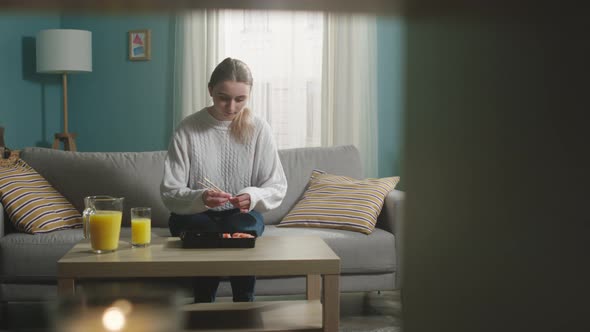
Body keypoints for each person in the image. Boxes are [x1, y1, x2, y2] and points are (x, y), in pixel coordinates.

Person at [160, 57, 288, 303]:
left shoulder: (258, 128)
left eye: (240, 99)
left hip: (239, 217)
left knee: (242, 229)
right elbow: (169, 191)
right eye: (223, 97)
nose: (231, 107)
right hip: (195, 215)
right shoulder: (188, 128)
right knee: (207, 233)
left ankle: (244, 304)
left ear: (249, 95)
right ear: (210, 90)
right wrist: (201, 198)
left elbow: (276, 186)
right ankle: (204, 304)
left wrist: (253, 195)